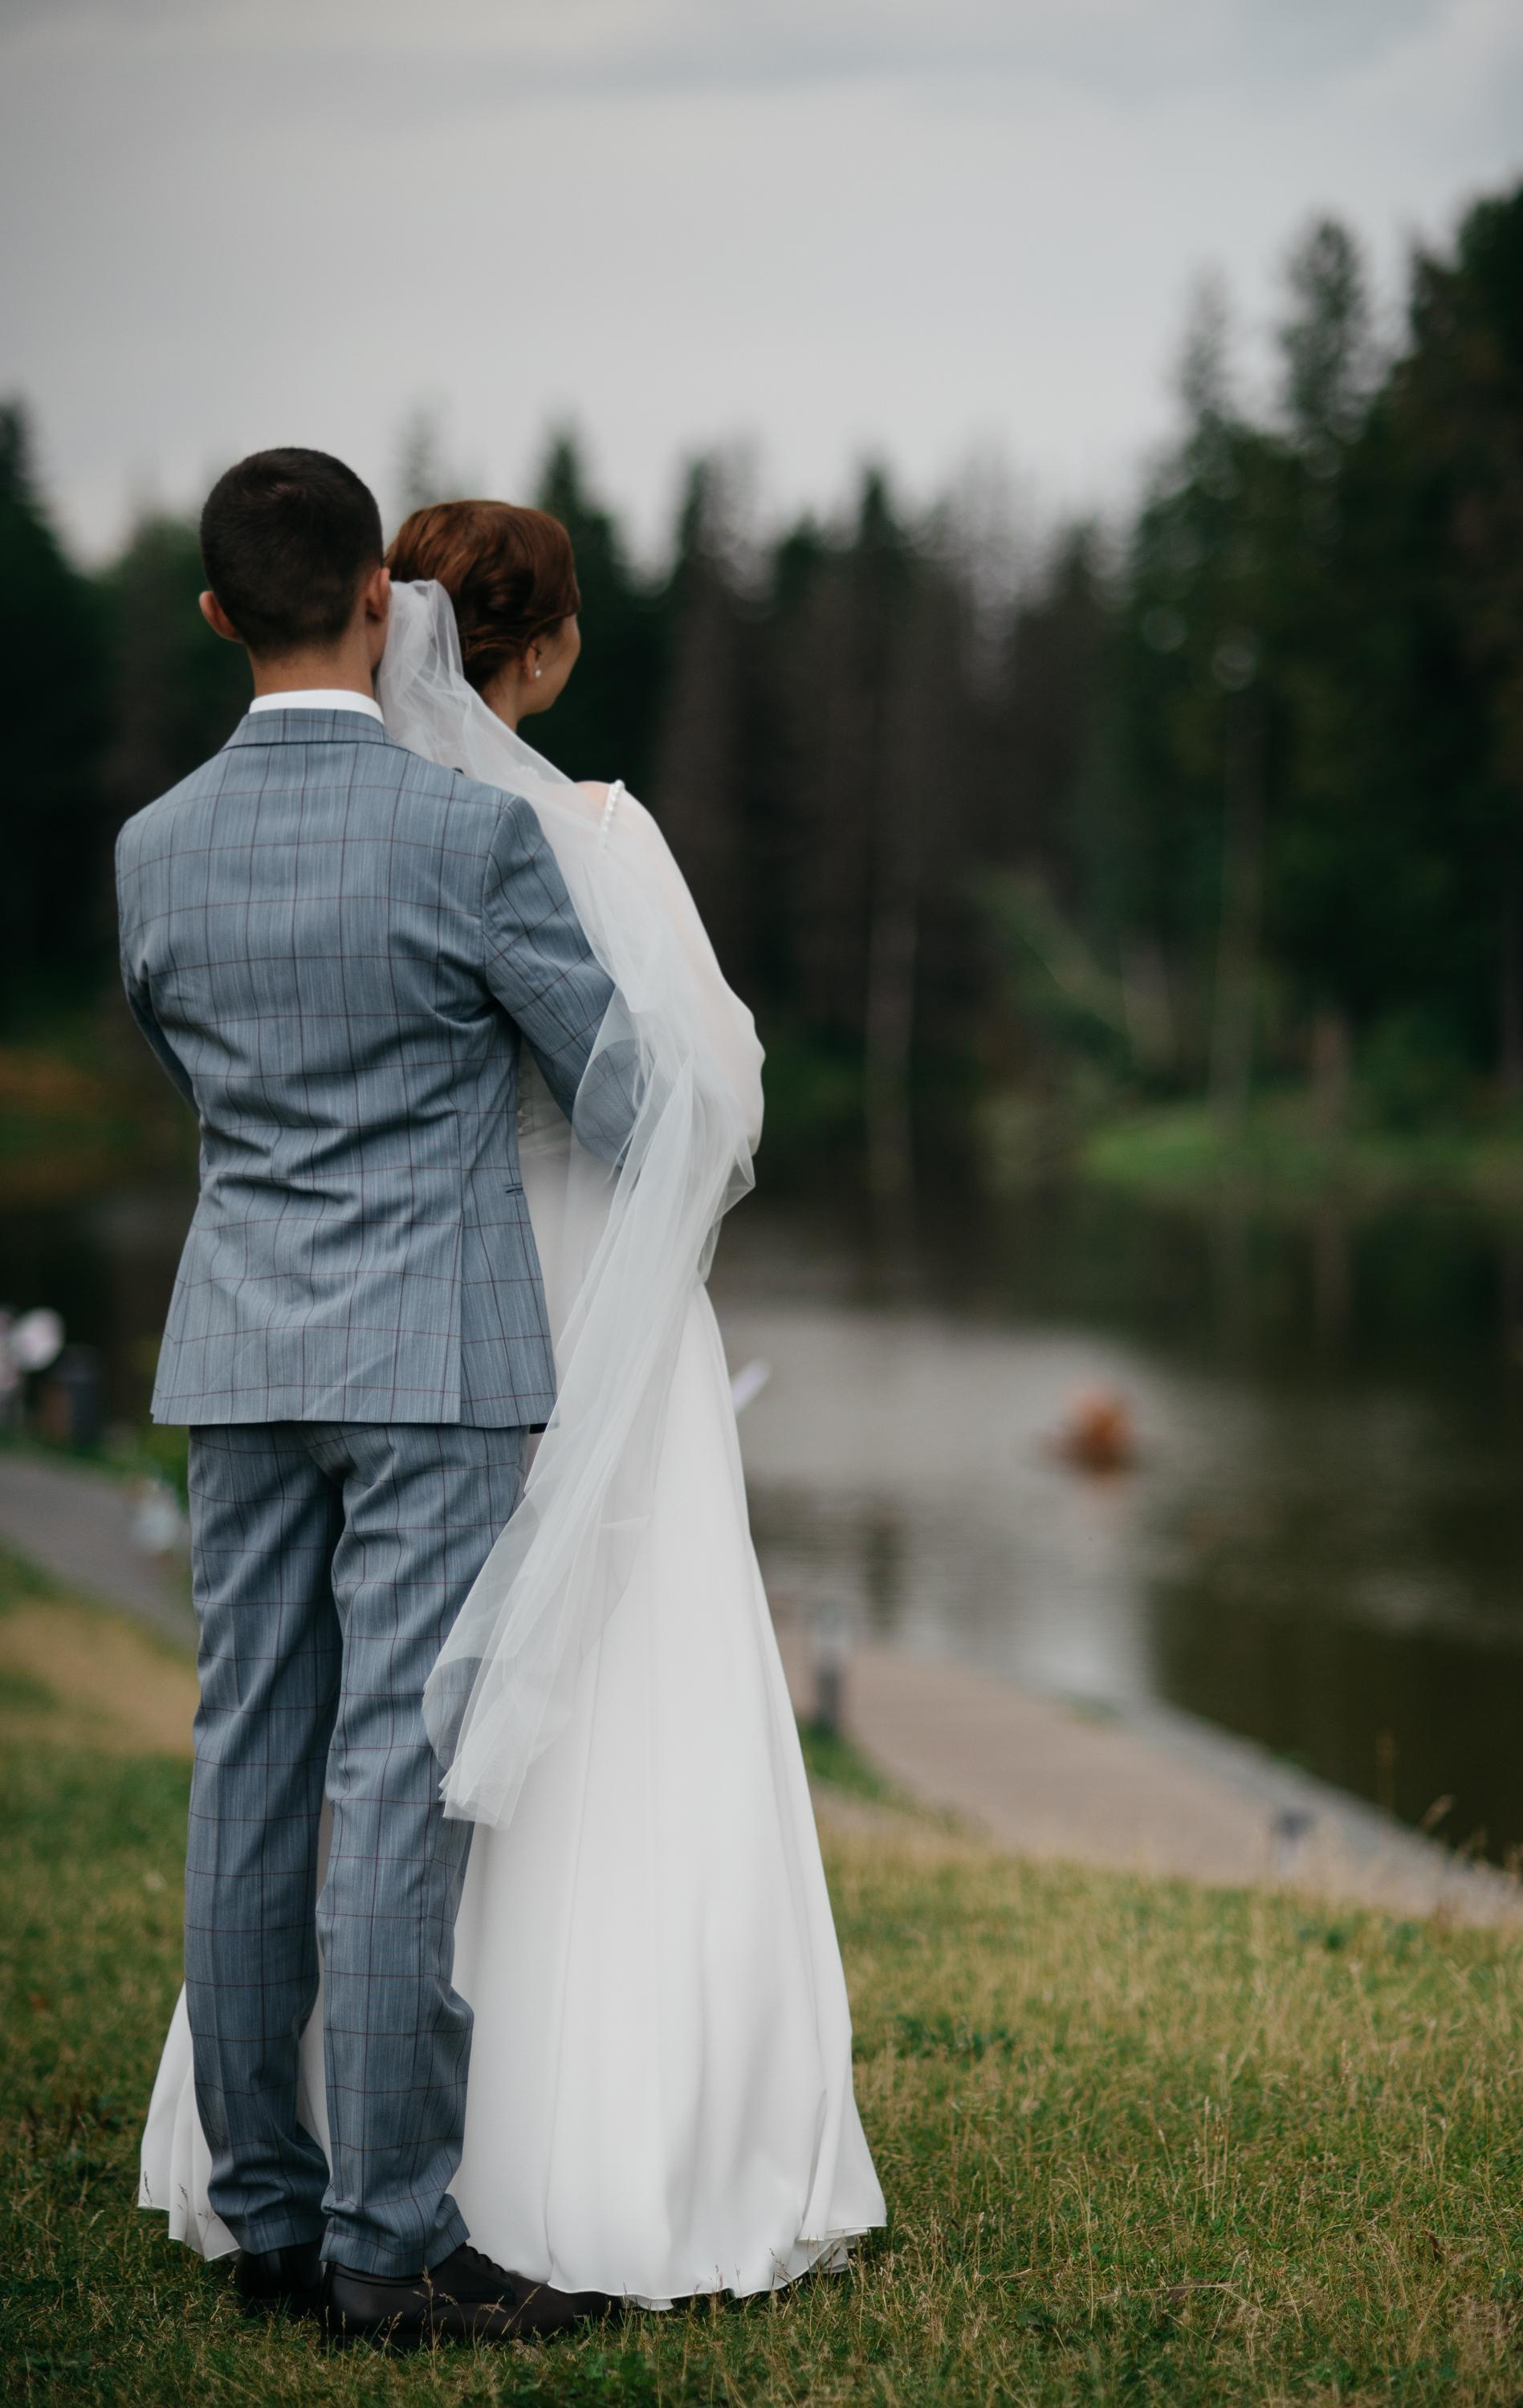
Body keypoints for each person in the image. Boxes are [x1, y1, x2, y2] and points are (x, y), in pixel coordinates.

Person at [132, 457, 884, 2341]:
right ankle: (390, 2255)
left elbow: (198, 1079)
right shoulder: (469, 842)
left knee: (248, 1767)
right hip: (432, 1365)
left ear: (223, 614)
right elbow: (629, 1110)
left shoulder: (152, 849)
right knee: (398, 1775)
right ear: (373, 606)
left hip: (237, 1351)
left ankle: (267, 2212)